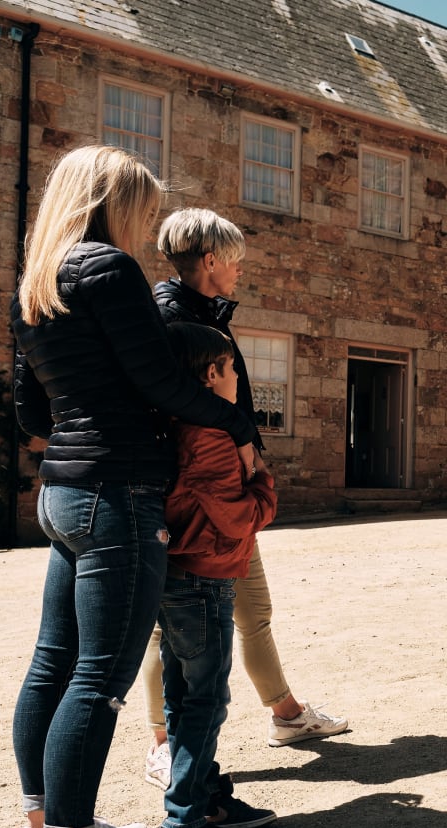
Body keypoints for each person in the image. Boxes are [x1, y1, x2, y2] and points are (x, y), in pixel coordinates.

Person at [11, 146, 260, 828]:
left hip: (64, 493)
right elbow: (159, 378)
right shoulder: (108, 269)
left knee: (53, 665)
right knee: (98, 681)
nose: (146, 225)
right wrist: (236, 425)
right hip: (117, 492)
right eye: (143, 209)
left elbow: (30, 412)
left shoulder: (39, 281)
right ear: (112, 201)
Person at [140, 207, 347, 791]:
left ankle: (285, 713)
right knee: (168, 628)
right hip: (194, 494)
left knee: (253, 609)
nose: (239, 272)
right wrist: (240, 452)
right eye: (234, 261)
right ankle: (163, 744)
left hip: (228, 481)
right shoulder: (169, 321)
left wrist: (247, 454)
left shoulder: (206, 315)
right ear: (209, 260)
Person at [154, 322, 278, 828]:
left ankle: (203, 801)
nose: (236, 379)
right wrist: (262, 481)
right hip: (204, 578)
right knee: (206, 700)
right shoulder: (209, 437)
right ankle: (184, 826)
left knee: (184, 696)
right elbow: (238, 516)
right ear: (210, 375)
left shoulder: (176, 425)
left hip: (178, 575)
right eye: (231, 369)